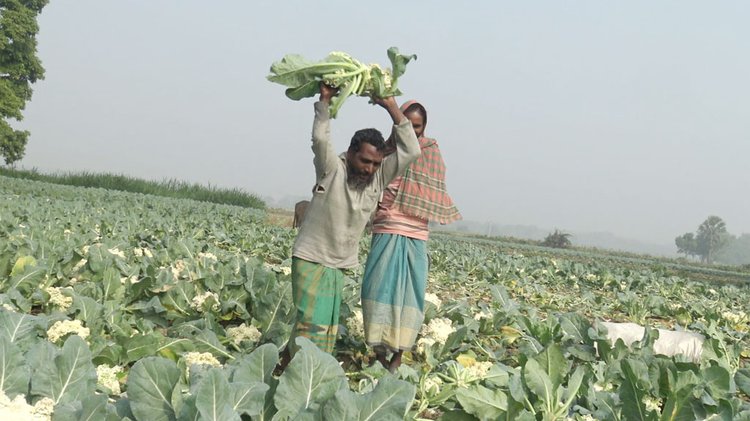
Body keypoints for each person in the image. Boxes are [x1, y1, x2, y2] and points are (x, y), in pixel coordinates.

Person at [278, 84, 421, 370]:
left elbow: (411, 150)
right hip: (311, 257)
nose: (368, 168)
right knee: (313, 327)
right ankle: (305, 378)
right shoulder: (332, 168)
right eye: (364, 160)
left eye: (375, 163)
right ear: (350, 153)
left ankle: (284, 364)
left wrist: (390, 105)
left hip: (338, 263)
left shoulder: (378, 178)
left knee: (323, 326)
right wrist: (325, 100)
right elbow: (320, 137)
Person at [361, 100, 461, 372]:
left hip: (416, 234)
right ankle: (379, 351)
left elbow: (433, 186)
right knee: (376, 287)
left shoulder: (429, 151)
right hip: (386, 227)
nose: (412, 131)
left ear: (424, 128)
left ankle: (398, 354)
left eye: (417, 127)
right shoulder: (384, 153)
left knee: (409, 295)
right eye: (407, 125)